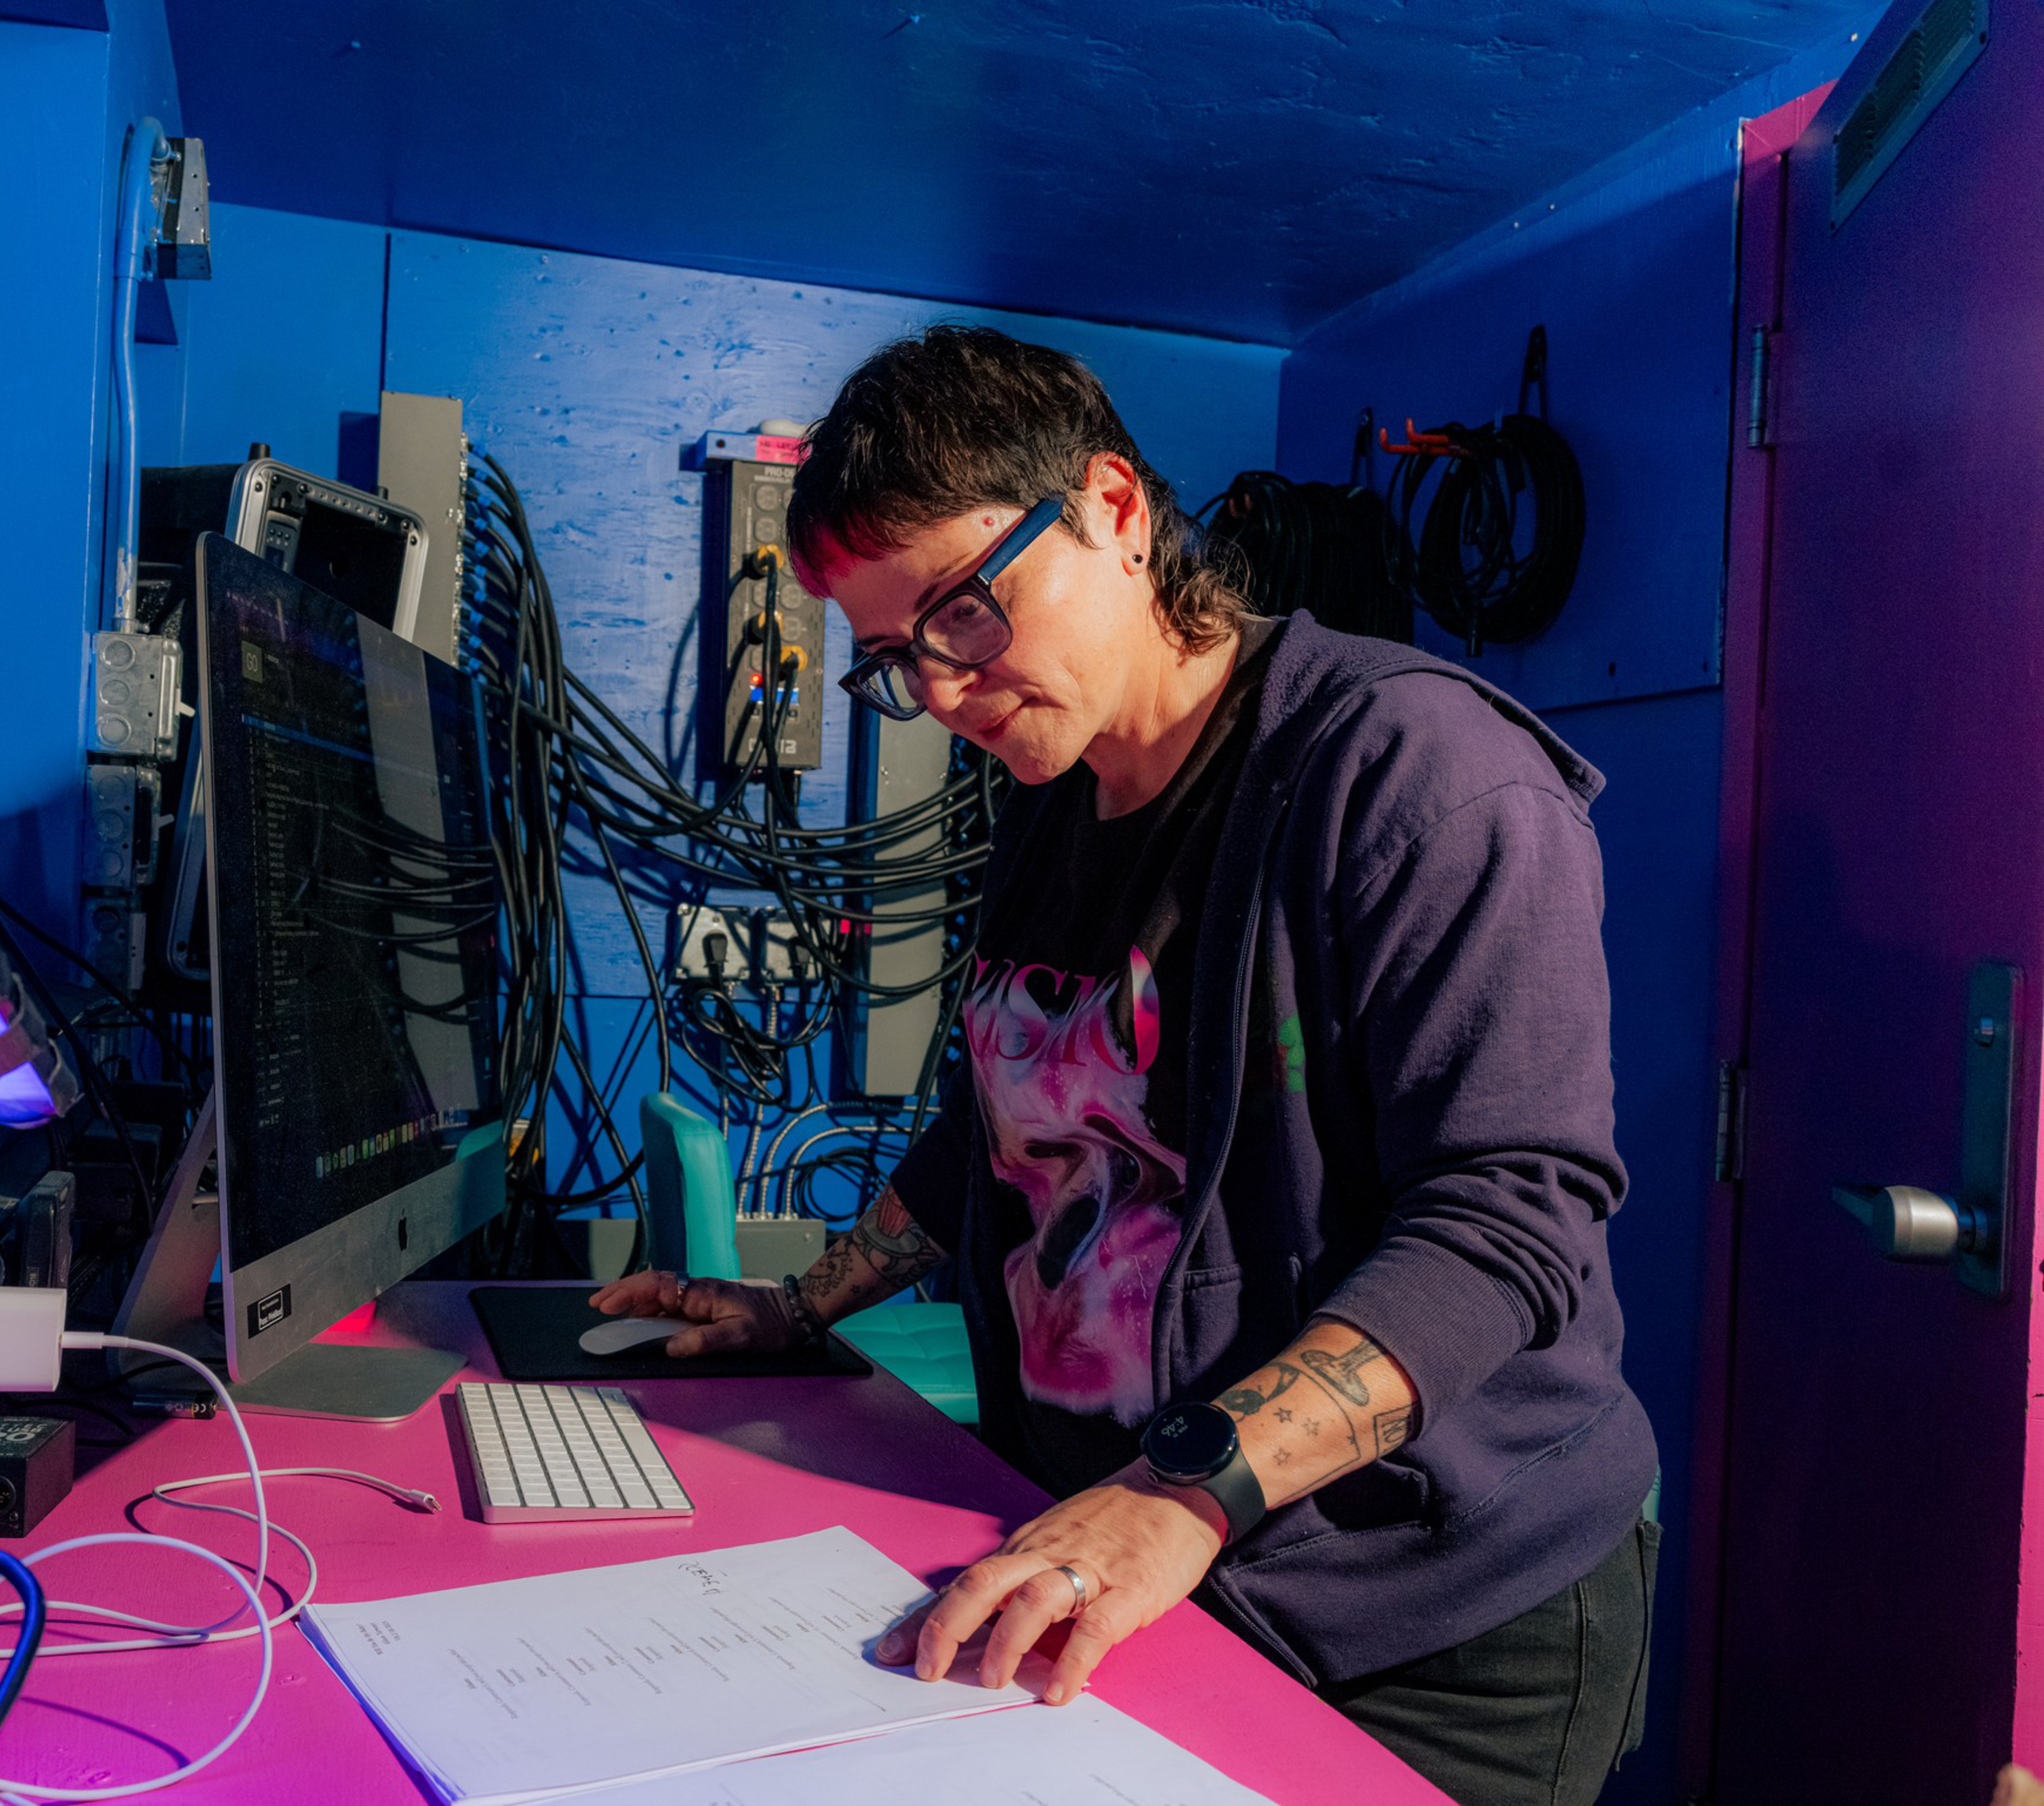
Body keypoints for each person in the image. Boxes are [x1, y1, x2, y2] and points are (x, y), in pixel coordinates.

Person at [591, 325, 1658, 1805]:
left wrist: (1179, 1491)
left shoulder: (1414, 772)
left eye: (966, 615)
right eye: (901, 663)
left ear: (1113, 509)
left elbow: (1507, 1222)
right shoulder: (1055, 795)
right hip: (1148, 1553)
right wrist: (800, 1304)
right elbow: (1007, 1133)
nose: (948, 696)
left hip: (1420, 1621)